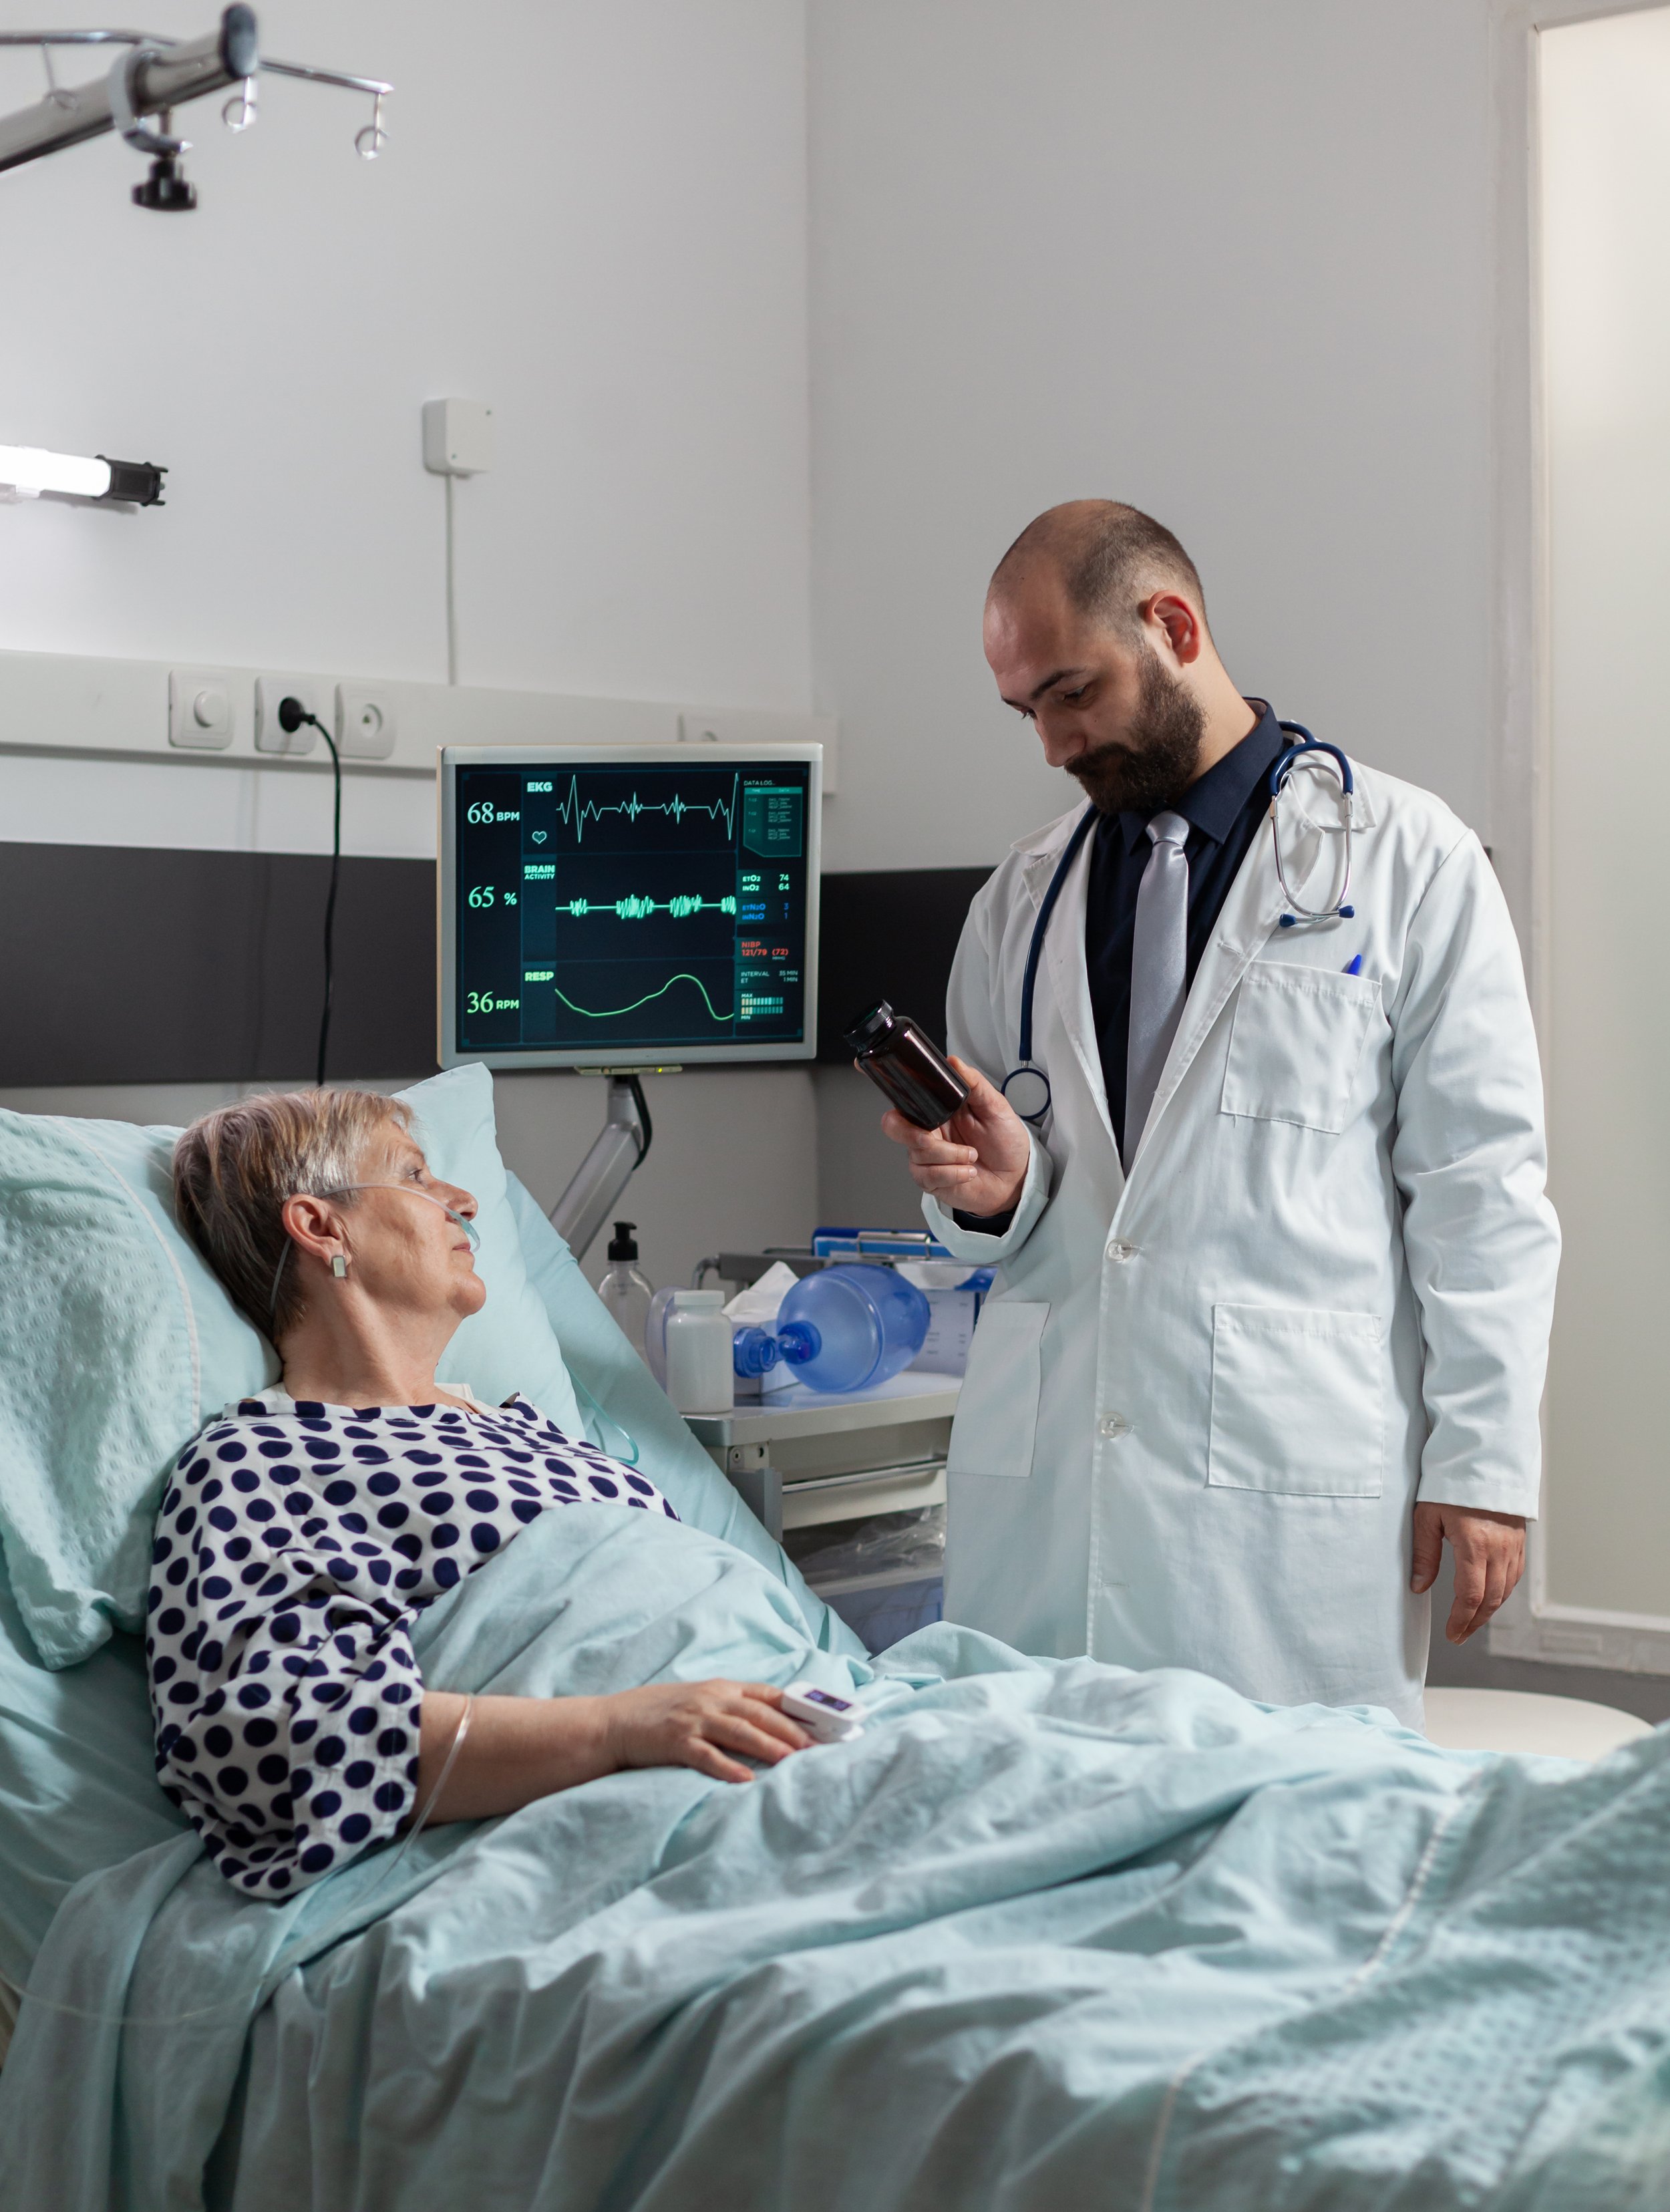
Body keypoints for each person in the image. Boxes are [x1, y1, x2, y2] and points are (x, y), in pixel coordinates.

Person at [880, 500, 1560, 1722]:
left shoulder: (1407, 859)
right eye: (1026, 708)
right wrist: (988, 1199)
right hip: (1051, 1500)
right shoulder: (1022, 900)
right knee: (1037, 1842)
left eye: (1070, 693)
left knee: (1292, 1848)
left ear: (1174, 626)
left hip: (1282, 1490)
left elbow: (1482, 1185)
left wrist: (1485, 1463)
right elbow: (1019, 1203)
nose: (1049, 742)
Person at [154, 1088, 810, 1897]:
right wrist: (615, 1729)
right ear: (323, 1227)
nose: (461, 1200)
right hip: (653, 1790)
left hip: (794, 1711)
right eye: (416, 1174)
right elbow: (261, 1741)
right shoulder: (260, 1457)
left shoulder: (528, 1431)